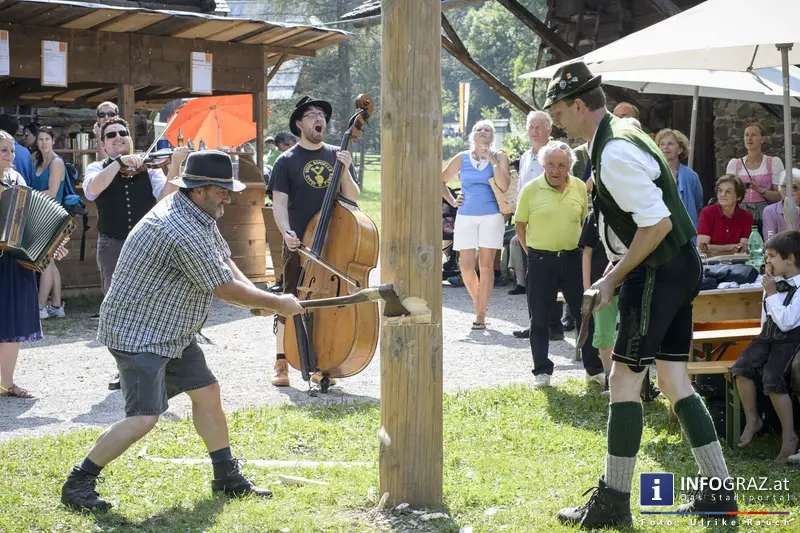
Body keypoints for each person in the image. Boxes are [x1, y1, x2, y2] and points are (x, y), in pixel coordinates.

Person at [545, 62, 736, 527]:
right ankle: (720, 493)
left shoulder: (613, 153)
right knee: (673, 380)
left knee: (624, 381)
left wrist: (612, 278)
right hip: (676, 265)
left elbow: (658, 223)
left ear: (577, 104)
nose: (556, 122)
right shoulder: (623, 131)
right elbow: (648, 222)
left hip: (656, 269)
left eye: (558, 111)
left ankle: (612, 502)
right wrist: (613, 269)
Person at [59, 150, 304, 512]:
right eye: (221, 190)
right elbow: (223, 288)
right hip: (139, 334)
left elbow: (223, 261)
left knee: (207, 391)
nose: (229, 196)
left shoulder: (196, 212)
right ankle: (78, 483)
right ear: (199, 189)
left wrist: (262, 298)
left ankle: (226, 476)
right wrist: (276, 303)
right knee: (143, 417)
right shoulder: (179, 227)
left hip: (170, 328)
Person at [83, 117, 187, 390]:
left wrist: (175, 165)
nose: (119, 137)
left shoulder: (149, 168)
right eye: (112, 135)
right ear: (103, 144)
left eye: (123, 133)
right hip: (113, 245)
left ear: (131, 138)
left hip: (146, 245)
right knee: (116, 309)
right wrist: (118, 163)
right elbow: (93, 190)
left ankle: (154, 366)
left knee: (152, 305)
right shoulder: (97, 167)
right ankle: (124, 369)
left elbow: (166, 200)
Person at [269, 96, 359, 387]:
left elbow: (353, 197)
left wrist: (344, 169)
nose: (319, 119)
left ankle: (322, 363)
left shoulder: (337, 154)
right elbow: (279, 205)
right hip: (298, 241)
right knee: (289, 299)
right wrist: (286, 232)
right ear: (299, 124)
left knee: (326, 305)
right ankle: (281, 361)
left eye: (321, 114)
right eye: (311, 115)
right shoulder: (286, 161)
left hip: (333, 242)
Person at [514, 140, 603, 387]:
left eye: (561, 165)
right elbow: (519, 226)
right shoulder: (531, 189)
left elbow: (585, 222)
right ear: (543, 164)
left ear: (569, 167)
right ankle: (542, 371)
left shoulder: (578, 188)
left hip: (573, 260)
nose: (555, 170)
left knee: (584, 315)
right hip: (541, 260)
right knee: (539, 319)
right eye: (551, 164)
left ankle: (593, 369)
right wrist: (532, 252)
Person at [0, 131, 68, 399]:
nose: (9, 154)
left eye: (11, 150)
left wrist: (51, 246)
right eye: (3, 150)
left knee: (12, 324)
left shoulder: (16, 179)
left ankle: (6, 383)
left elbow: (29, 222)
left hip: (14, 261)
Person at [732, 231, 800, 462]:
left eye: (771, 256)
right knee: (741, 367)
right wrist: (769, 291)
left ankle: (789, 436)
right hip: (767, 336)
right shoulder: (772, 281)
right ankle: (753, 419)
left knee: (772, 379)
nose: (767, 261)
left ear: (789, 259)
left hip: (790, 339)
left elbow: (787, 321)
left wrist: (771, 293)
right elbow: (767, 315)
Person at [442, 119, 510, 330]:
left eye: (487, 129)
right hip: (465, 215)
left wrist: (491, 159)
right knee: (465, 266)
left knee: (486, 265)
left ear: (492, 136)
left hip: (492, 215)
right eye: (479, 129)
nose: (483, 131)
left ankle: (480, 314)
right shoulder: (461, 158)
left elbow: (504, 185)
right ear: (472, 134)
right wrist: (453, 201)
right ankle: (478, 302)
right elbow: (441, 180)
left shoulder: (499, 156)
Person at [508, 111, 551, 296]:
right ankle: (524, 287)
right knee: (533, 269)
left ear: (548, 130)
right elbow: (520, 190)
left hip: (549, 218)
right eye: (531, 128)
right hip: (528, 220)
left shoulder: (557, 153)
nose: (534, 131)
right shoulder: (525, 156)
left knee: (549, 271)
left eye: (538, 127)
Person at [579, 211, 622, 394]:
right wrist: (588, 288)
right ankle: (608, 380)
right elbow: (586, 253)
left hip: (629, 283)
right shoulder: (593, 216)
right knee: (604, 335)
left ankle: (635, 382)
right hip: (601, 287)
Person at [29, 125, 66, 319]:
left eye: (47, 139)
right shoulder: (38, 162)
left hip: (51, 216)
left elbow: (52, 193)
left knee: (44, 262)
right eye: (40, 139)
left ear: (53, 141)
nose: (43, 143)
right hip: (39, 215)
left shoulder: (56, 162)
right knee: (50, 262)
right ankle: (57, 306)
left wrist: (27, 197)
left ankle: (40, 307)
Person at [725, 123, 784, 231]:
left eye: (753, 135)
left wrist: (760, 190)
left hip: (766, 214)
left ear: (762, 139)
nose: (749, 138)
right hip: (741, 214)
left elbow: (780, 196)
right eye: (746, 135)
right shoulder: (734, 164)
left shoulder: (773, 163)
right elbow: (728, 194)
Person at [697, 175, 754, 258]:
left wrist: (713, 249)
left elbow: (744, 249)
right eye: (720, 191)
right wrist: (735, 247)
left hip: (738, 264)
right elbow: (702, 248)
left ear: (739, 196)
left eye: (728, 192)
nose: (722, 194)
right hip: (711, 263)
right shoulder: (707, 212)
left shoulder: (747, 216)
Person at [656, 128, 703, 227]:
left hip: (685, 228)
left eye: (670, 144)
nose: (665, 147)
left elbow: (698, 205)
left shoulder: (691, 176)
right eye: (662, 144)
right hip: (659, 226)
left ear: (680, 149)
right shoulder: (652, 173)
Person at [762, 169, 800, 236]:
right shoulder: (770, 211)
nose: (789, 191)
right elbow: (769, 241)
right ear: (780, 189)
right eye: (784, 187)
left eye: (794, 187)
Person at [0, 114, 34, 183]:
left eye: (12, 151)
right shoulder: (25, 152)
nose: (10, 155)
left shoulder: (16, 177)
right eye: (4, 150)